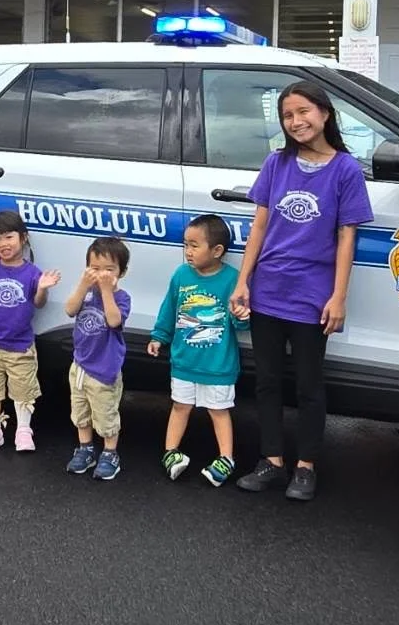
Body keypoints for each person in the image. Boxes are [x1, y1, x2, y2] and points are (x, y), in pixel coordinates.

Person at [229, 82, 373, 501]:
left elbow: (348, 237)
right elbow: (259, 226)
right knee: (268, 382)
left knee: (309, 385)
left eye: (304, 112)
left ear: (325, 114)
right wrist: (243, 281)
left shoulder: (345, 169)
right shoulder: (276, 164)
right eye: (288, 116)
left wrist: (338, 296)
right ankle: (271, 460)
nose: (296, 122)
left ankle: (306, 467)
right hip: (269, 290)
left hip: (313, 296)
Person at [148, 215, 245, 486]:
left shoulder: (232, 279)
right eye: (186, 245)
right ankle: (171, 452)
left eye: (194, 246)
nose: (188, 252)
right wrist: (159, 336)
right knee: (180, 406)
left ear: (217, 251)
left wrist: (242, 315)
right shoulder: (181, 275)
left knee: (219, 410)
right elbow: (169, 308)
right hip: (184, 361)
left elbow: (240, 322)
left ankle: (226, 458)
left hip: (218, 365)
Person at [0, 209, 61, 452]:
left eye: (9, 237)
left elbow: (39, 303)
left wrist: (42, 288)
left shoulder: (32, 272)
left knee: (23, 390)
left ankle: (23, 430)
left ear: (23, 237)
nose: (3, 244)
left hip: (20, 344)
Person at [64, 237, 132, 481]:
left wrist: (106, 290)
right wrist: (84, 285)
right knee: (80, 411)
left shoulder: (122, 298)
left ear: (121, 272)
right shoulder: (86, 292)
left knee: (105, 415)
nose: (102, 274)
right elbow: (70, 309)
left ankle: (110, 453)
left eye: (109, 270)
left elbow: (114, 321)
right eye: (95, 268)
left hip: (104, 369)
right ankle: (85, 448)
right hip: (80, 365)